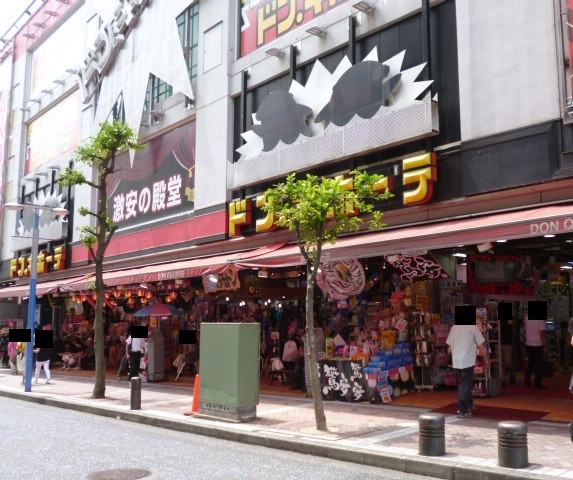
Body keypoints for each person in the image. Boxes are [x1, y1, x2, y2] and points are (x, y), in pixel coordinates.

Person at [446, 323, 489, 418]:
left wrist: (451, 359)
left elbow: (450, 347)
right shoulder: (473, 328)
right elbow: (481, 346)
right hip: (467, 360)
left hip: (456, 360)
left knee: (465, 383)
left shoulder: (454, 328)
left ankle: (469, 405)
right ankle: (462, 410)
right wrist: (486, 359)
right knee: (464, 384)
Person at [525, 312, 547, 389]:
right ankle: (538, 383)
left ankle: (527, 378)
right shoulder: (541, 320)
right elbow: (542, 334)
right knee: (539, 364)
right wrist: (545, 346)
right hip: (538, 344)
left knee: (531, 362)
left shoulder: (527, 318)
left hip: (528, 343)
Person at [500, 316, 516, 386]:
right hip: (498, 342)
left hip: (507, 342)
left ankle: (512, 373)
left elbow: (510, 322)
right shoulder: (495, 318)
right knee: (500, 363)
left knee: (508, 362)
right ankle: (502, 380)